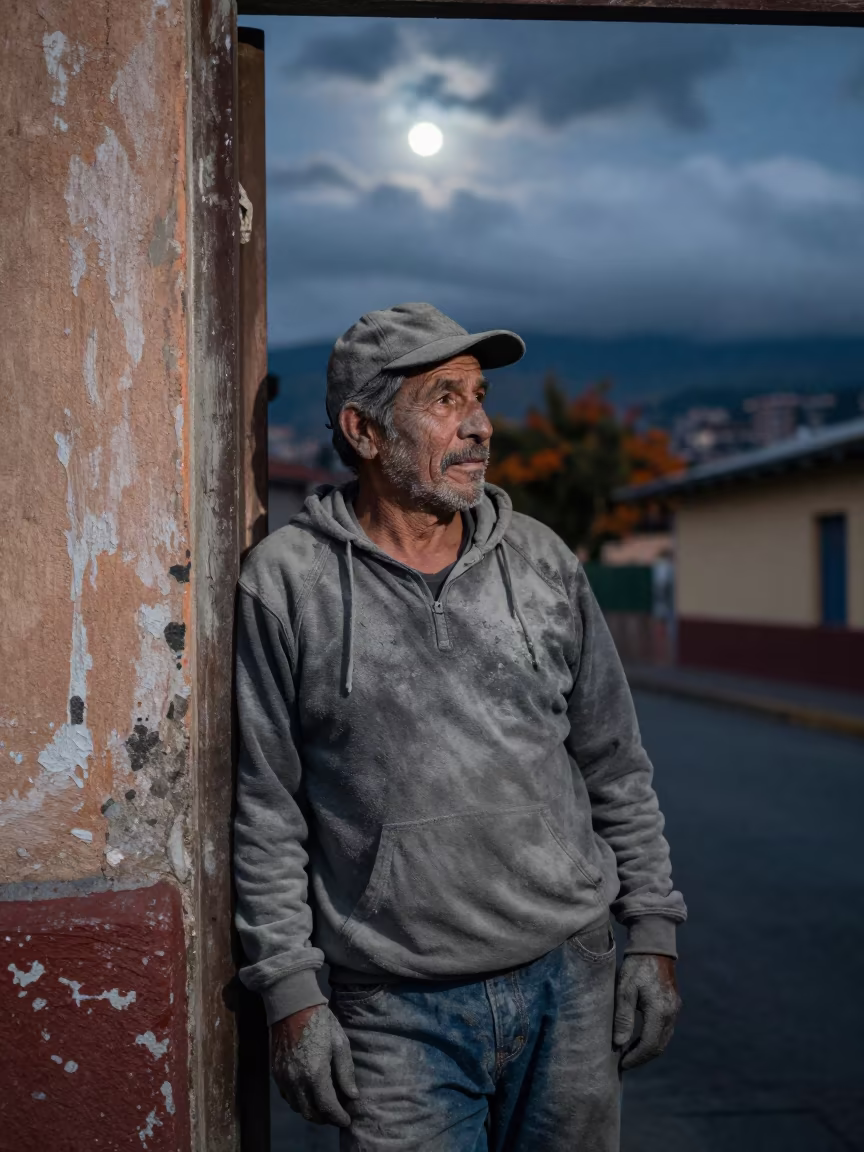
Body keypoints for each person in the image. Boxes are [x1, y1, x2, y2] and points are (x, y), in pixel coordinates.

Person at [234, 302, 686, 1151]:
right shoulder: (286, 585)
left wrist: (653, 932)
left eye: (478, 398)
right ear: (364, 431)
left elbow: (616, 764)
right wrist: (291, 991)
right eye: (445, 399)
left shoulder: (546, 564)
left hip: (571, 981)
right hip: (393, 1011)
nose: (478, 424)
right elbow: (266, 808)